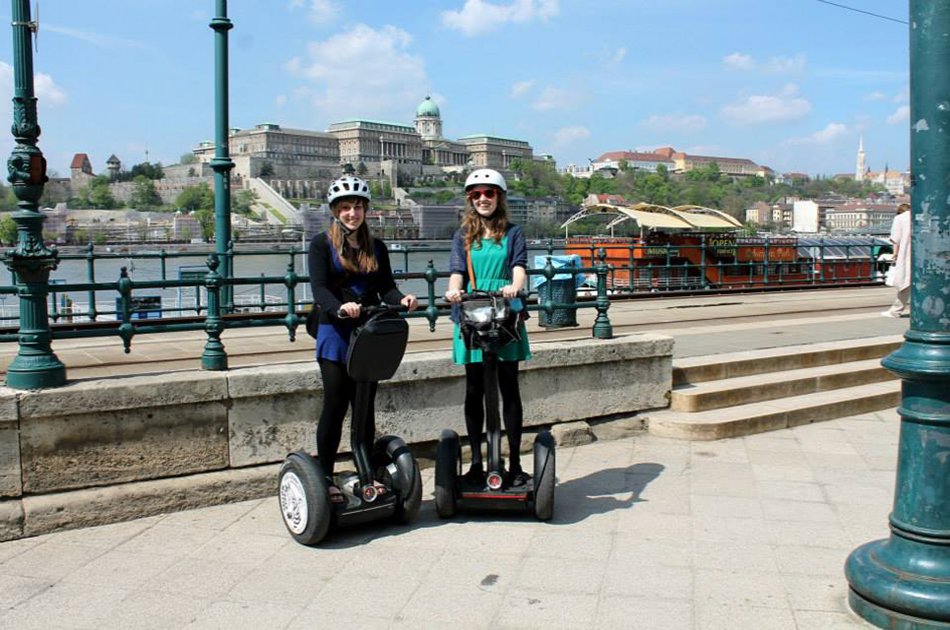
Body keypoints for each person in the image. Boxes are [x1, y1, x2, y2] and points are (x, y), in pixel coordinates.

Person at [308, 175, 418, 503]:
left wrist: (403, 300)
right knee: (336, 403)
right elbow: (319, 289)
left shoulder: (377, 247)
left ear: (365, 210)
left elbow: (386, 287)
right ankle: (326, 474)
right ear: (335, 211)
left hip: (366, 335)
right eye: (345, 208)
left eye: (357, 207)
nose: (352, 213)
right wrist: (340, 308)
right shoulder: (320, 244)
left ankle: (365, 470)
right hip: (334, 333)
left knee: (365, 406)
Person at [444, 168, 532, 487]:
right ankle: (477, 463)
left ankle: (515, 462)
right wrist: (453, 290)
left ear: (500, 197)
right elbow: (457, 273)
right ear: (470, 199)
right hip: (472, 312)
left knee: (509, 387)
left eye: (489, 193)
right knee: (474, 390)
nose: (483, 199)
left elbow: (520, 269)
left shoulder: (513, 233)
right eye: (477, 194)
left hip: (505, 311)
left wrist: (514, 286)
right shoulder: (462, 236)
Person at [882, 202, 911, 318]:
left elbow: (895, 239)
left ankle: (896, 310)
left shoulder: (899, 218)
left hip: (906, 253)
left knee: (904, 282)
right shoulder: (919, 215)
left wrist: (895, 253)